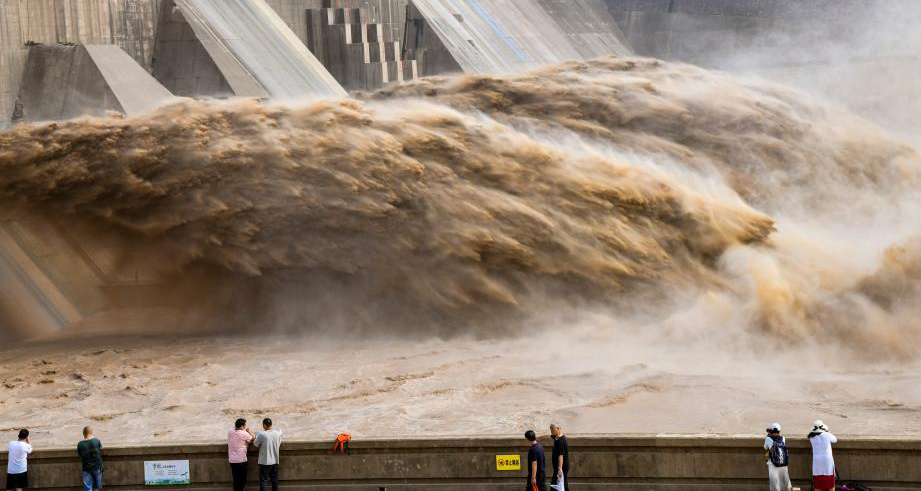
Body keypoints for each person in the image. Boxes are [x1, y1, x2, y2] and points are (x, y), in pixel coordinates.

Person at [253, 418, 282, 491]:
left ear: (264, 425)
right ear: (271, 424)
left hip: (265, 461)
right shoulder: (277, 433)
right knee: (274, 480)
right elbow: (279, 438)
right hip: (275, 461)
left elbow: (255, 444)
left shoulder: (262, 434)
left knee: (264, 480)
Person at [808, 420, 838, 491]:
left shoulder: (811, 437)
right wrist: (828, 431)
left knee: (818, 485)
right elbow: (835, 440)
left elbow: (812, 433)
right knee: (830, 485)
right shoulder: (827, 435)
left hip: (817, 462)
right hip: (827, 462)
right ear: (823, 427)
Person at [228, 418, 255, 491]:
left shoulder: (230, 431)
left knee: (236, 479)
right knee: (243, 479)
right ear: (242, 426)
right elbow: (253, 437)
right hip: (241, 460)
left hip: (232, 460)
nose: (245, 426)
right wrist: (248, 431)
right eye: (244, 425)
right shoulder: (243, 433)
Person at [763, 423, 791, 491]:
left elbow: (765, 448)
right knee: (784, 485)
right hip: (783, 464)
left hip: (773, 465)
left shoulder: (768, 439)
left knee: (775, 486)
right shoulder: (783, 438)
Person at [77, 427, 104, 491]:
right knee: (97, 487)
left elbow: (80, 454)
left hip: (86, 468)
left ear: (83, 433)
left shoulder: (80, 444)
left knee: (87, 487)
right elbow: (100, 449)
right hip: (97, 467)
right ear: (91, 433)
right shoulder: (96, 441)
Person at [549, 424, 569, 491]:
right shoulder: (557, 437)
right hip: (558, 466)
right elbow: (548, 436)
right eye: (551, 431)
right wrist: (537, 439)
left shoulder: (561, 441)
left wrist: (560, 469)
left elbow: (561, 455)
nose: (552, 433)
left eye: (553, 431)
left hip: (561, 466)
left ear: (558, 428)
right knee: (562, 483)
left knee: (558, 484)